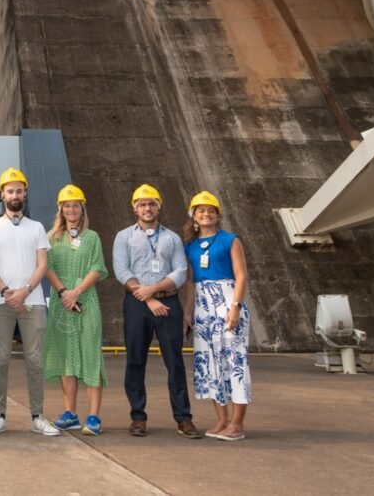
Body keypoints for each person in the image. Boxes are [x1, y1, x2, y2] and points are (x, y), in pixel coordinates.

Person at [112, 184, 200, 439]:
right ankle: (138, 417)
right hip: (136, 303)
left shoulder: (172, 238)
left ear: (159, 206)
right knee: (135, 361)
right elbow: (122, 271)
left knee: (175, 362)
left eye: (151, 203)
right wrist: (147, 296)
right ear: (134, 208)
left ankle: (183, 418)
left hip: (168, 302)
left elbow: (180, 272)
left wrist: (153, 290)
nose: (147, 208)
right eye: (142, 204)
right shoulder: (124, 237)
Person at [0, 168, 61, 437]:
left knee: (35, 360)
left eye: (19, 190)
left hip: (33, 302)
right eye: (10, 190)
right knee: (0, 360)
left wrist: (24, 291)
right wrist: (6, 291)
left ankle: (37, 416)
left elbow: (42, 264)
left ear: (25, 193)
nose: (15, 195)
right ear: (2, 194)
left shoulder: (36, 227)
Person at [181, 191, 251, 441]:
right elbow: (190, 281)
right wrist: (188, 312)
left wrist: (235, 306)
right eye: (201, 210)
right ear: (194, 216)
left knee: (234, 361)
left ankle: (237, 423)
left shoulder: (230, 240)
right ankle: (221, 419)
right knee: (209, 362)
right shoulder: (189, 246)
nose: (206, 214)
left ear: (218, 215)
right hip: (203, 306)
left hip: (227, 300)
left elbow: (241, 275)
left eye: (210, 210)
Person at [45, 184, 108, 436]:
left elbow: (97, 268)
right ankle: (70, 413)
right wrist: (63, 293)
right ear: (60, 209)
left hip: (86, 302)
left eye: (75, 205)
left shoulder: (92, 237)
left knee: (91, 356)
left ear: (82, 208)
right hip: (62, 304)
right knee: (66, 358)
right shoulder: (52, 238)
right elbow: (46, 267)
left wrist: (76, 292)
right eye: (67, 205)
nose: (71, 209)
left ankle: (93, 417)